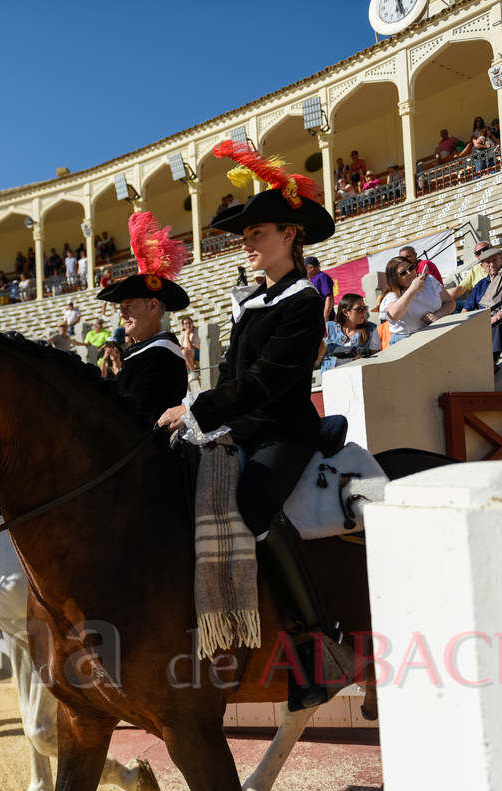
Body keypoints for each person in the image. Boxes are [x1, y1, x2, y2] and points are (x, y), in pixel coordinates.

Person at [158, 141, 335, 709]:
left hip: (286, 430)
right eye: (246, 235)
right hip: (247, 428)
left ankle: (318, 640)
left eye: (258, 233)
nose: (248, 242)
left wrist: (201, 412)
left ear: (290, 236)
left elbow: (267, 382)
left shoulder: (305, 301)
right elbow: (233, 374)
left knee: (252, 504)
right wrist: (196, 411)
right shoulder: (252, 302)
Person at [97, 212, 191, 421]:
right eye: (121, 307)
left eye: (129, 306)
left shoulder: (159, 354)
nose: (122, 313)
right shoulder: (147, 349)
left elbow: (133, 417)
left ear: (152, 306)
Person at [457, 246, 502, 365]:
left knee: (498, 321)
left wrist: (501, 312)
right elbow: (467, 308)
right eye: (487, 262)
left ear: (501, 259)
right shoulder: (481, 284)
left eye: (494, 260)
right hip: (485, 320)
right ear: (482, 266)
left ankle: (491, 360)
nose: (491, 265)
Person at [379, 256, 455, 345]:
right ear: (395, 279)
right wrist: (412, 289)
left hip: (434, 330)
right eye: (403, 273)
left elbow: (450, 302)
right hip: (407, 339)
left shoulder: (429, 280)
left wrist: (438, 315)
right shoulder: (392, 295)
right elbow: (394, 315)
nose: (409, 273)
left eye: (410, 268)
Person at [322, 293, 380, 371]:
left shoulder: (371, 329)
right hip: (330, 377)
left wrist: (363, 359)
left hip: (357, 377)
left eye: (365, 308)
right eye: (359, 309)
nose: (364, 312)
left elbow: (376, 358)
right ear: (345, 312)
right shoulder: (328, 327)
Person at [304, 256, 335, 322]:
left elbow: (329, 296)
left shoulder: (322, 276)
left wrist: (326, 314)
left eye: (305, 268)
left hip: (325, 319)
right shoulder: (312, 279)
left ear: (311, 267)